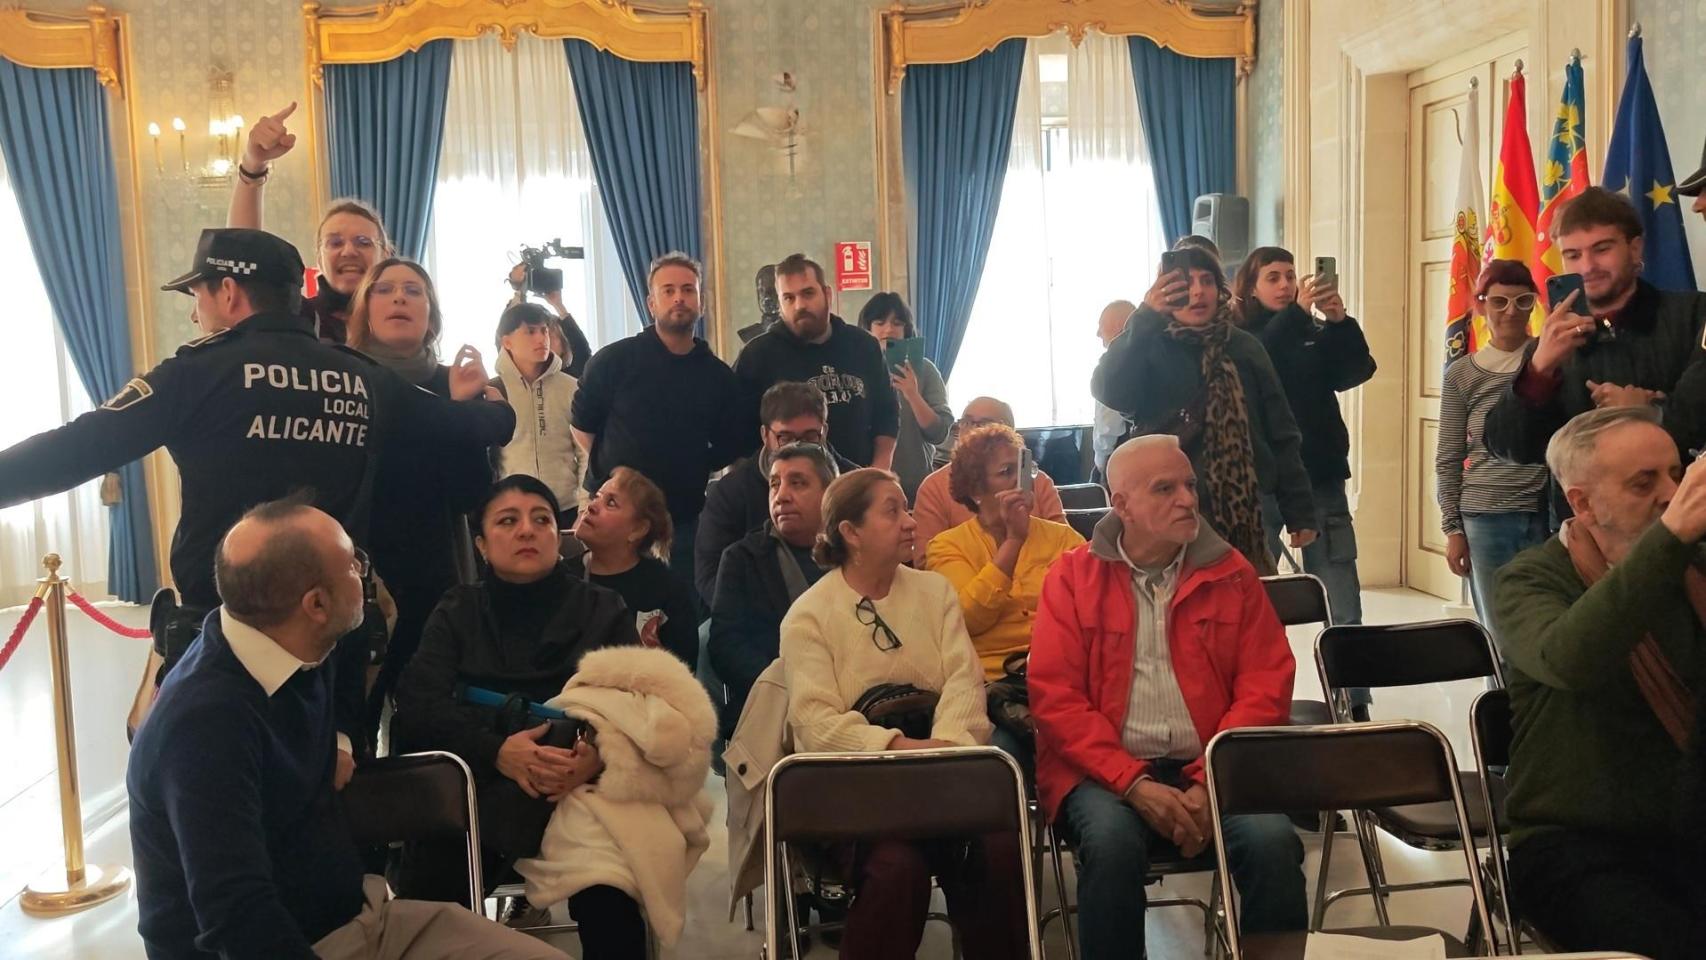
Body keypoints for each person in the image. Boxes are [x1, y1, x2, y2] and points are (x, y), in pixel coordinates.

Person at [0, 228, 515, 753]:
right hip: (334, 643)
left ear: (228, 292)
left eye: (198, 293)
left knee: (219, 794)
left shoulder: (197, 373)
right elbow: (479, 426)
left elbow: (69, 451)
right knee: (331, 799)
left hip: (226, 636)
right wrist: (492, 406)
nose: (196, 310)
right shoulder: (361, 377)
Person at [127, 499, 563, 959]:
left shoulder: (289, 638)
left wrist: (334, 741)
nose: (364, 572)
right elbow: (236, 920)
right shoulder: (205, 725)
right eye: (353, 564)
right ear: (315, 604)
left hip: (358, 918)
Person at [1029, 435, 1305, 959]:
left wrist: (1206, 782)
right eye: (1165, 488)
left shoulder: (1233, 573)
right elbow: (1056, 700)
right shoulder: (1071, 577)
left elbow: (1266, 684)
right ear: (1121, 505)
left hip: (1214, 764)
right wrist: (1132, 783)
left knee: (1272, 844)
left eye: (1189, 484)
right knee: (1111, 849)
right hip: (1103, 773)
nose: (1187, 499)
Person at [780, 468, 1029, 959]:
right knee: (898, 869)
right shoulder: (809, 616)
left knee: (998, 850)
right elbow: (814, 723)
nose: (911, 521)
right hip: (859, 788)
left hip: (944, 772)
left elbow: (965, 681)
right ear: (851, 533)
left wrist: (948, 749)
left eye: (908, 508)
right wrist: (901, 749)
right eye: (893, 511)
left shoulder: (934, 593)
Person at [1493, 406, 1706, 960]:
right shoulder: (1529, 579)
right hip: (1574, 844)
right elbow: (1571, 658)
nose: (1670, 493)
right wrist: (1672, 538)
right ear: (1581, 502)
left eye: (1677, 475)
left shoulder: (1696, 567)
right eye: (1645, 482)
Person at [391, 477, 641, 948]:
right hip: (477, 783)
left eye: (541, 519)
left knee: (613, 890)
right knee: (430, 899)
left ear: (557, 535)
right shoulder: (457, 609)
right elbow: (419, 705)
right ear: (482, 544)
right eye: (508, 521)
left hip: (580, 790)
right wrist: (498, 751)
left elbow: (637, 707)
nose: (527, 530)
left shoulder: (602, 608)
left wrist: (597, 756)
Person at [1093, 246, 1317, 576]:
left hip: (1248, 507)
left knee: (1245, 605)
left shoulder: (1244, 347)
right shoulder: (1148, 346)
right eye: (1184, 282)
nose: (1198, 291)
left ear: (1220, 289)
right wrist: (1145, 317)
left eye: (1207, 281)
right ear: (1163, 289)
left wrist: (1299, 511)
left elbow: (1281, 433)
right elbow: (1107, 388)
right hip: (1168, 504)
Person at [1485, 187, 1706, 520]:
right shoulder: (1548, 345)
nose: (1588, 266)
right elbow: (1509, 447)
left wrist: (1651, 415)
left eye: (1602, 249)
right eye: (1573, 255)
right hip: (1584, 535)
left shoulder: (1694, 315)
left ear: (1634, 248)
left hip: (1682, 524)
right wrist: (1539, 372)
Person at [344, 257, 498, 730]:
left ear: (431, 313)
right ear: (363, 308)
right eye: (384, 289)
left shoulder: (457, 381)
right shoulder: (340, 377)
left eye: (413, 290)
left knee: (432, 719)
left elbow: (472, 493)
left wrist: (460, 410)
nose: (398, 298)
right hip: (354, 571)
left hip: (435, 570)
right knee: (354, 722)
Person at [571, 252, 746, 601]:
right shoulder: (613, 361)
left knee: (678, 616)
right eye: (668, 291)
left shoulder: (718, 377)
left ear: (701, 302)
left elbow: (729, 445)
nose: (679, 297)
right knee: (603, 611)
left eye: (687, 289)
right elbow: (582, 425)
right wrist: (619, 476)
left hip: (682, 521)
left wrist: (695, 463)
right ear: (652, 303)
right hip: (612, 517)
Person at [924, 422, 1084, 768]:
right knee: (998, 759)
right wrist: (1013, 541)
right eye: (1006, 473)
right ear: (976, 489)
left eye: (1025, 470)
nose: (1021, 484)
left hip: (1065, 682)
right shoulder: (948, 546)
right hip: (993, 690)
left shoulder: (1064, 540)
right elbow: (968, 619)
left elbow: (1090, 615)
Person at [1233, 245, 1376, 625]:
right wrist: (1297, 314)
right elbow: (1263, 355)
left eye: (1290, 277)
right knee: (1253, 589)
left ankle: (1353, 683)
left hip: (1320, 473)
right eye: (1273, 278)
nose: (1285, 286)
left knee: (1340, 589)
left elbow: (1355, 372)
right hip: (1262, 480)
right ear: (1251, 287)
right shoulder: (1241, 335)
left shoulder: (1311, 330)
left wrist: (1340, 322)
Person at [1436, 260, 1551, 640]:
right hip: (1486, 518)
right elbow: (1449, 456)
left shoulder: (1550, 358)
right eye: (1499, 302)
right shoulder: (1462, 374)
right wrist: (1453, 528)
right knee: (1499, 635)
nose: (1510, 312)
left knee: (1546, 626)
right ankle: (1500, 701)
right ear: (1481, 305)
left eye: (1522, 301)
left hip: (1546, 511)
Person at [228, 103, 390, 344]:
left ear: (385, 255)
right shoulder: (296, 318)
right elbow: (244, 256)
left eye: (364, 242)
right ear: (319, 259)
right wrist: (254, 164)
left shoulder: (402, 317)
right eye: (334, 242)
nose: (348, 251)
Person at [708, 443, 836, 741]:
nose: (782, 495)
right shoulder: (742, 558)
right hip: (773, 709)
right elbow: (726, 647)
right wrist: (791, 685)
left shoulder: (853, 554)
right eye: (775, 484)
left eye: (798, 483)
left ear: (830, 494)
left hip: (851, 701)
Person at [693, 381, 858, 605]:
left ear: (824, 431)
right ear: (765, 435)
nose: (798, 446)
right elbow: (709, 576)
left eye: (810, 436)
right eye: (786, 438)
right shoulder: (730, 493)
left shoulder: (854, 483)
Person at [734, 253, 900, 469]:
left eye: (808, 293)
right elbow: (737, 435)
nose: (799, 305)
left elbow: (887, 412)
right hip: (788, 491)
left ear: (827, 295)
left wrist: (880, 470)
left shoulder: (864, 346)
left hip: (858, 485)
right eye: (789, 298)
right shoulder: (757, 356)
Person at [569, 467, 699, 669]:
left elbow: (683, 672)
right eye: (597, 496)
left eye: (610, 503)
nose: (592, 506)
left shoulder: (667, 589)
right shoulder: (563, 578)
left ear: (638, 529)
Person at [913, 397, 1068, 549]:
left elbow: (1066, 547)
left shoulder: (1038, 481)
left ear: (1008, 434)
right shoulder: (933, 486)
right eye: (966, 422)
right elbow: (925, 561)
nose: (972, 431)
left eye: (984, 424)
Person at [492, 302, 585, 527]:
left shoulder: (572, 387)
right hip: (510, 509)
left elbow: (585, 453)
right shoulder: (493, 390)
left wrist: (585, 505)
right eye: (530, 331)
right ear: (507, 342)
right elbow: (489, 461)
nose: (541, 338)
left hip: (567, 510)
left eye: (544, 330)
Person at [858, 292, 953, 499]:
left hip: (915, 485)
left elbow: (939, 433)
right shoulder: (855, 370)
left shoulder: (925, 370)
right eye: (880, 322)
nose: (889, 329)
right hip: (863, 484)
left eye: (897, 323)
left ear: (906, 329)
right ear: (867, 327)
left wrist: (912, 394)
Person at [506, 261, 593, 378]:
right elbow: (508, 335)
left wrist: (558, 304)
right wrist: (520, 290)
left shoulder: (573, 375)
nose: (543, 340)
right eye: (533, 333)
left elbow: (581, 348)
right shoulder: (522, 376)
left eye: (549, 334)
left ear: (563, 345)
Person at [1092, 300, 1137, 479]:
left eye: (1101, 325)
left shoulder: (1114, 366)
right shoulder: (1147, 357)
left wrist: (1101, 462)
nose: (1097, 333)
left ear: (1119, 325)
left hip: (1119, 459)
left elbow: (1109, 427)